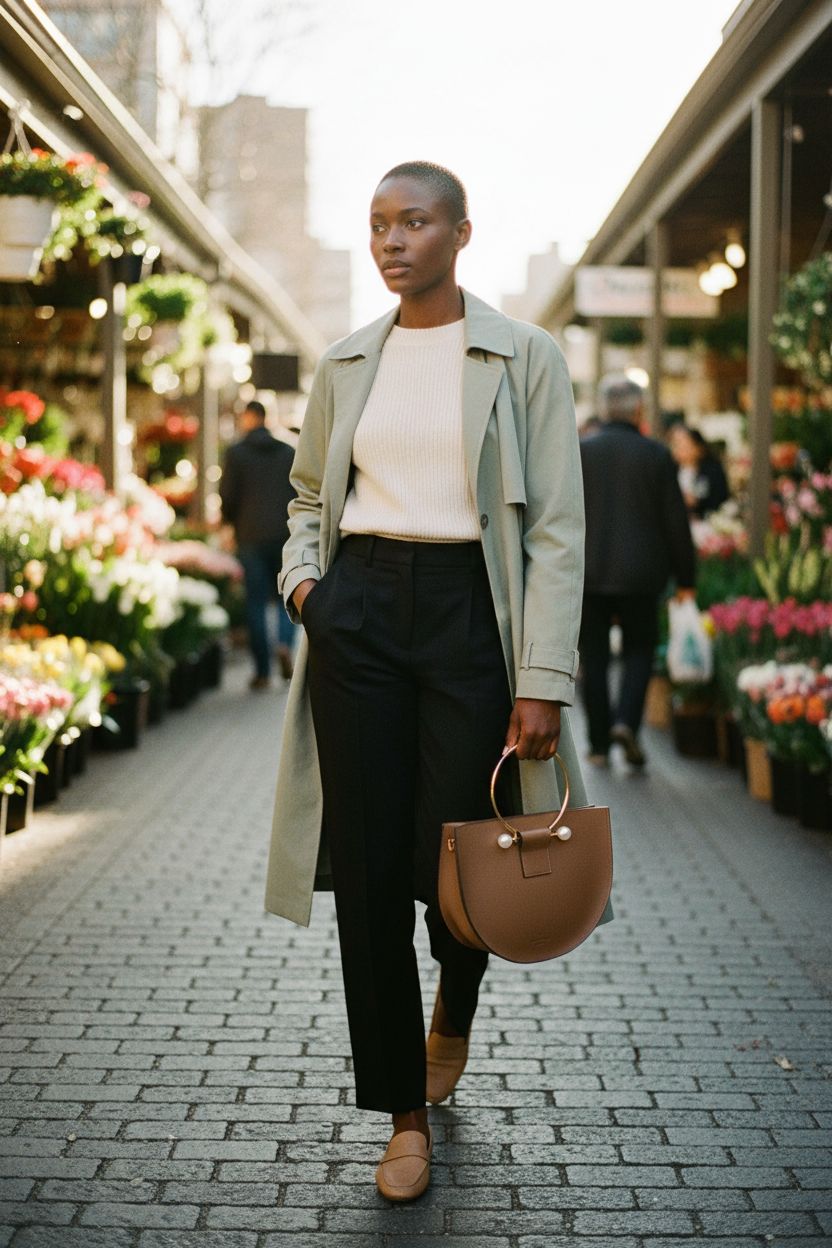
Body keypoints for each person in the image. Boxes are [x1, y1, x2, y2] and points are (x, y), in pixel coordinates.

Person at [264, 160, 609, 1203]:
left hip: (473, 617)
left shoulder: (522, 356)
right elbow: (306, 496)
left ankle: (453, 1005)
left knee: (460, 866)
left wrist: (540, 676)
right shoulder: (344, 361)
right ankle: (401, 1113)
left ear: (461, 233)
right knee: (368, 871)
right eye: (377, 225)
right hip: (359, 610)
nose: (392, 241)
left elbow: (555, 526)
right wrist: (306, 590)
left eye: (413, 221)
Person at [579, 374, 696, 767]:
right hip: (641, 575)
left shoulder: (581, 451)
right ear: (639, 410)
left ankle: (597, 744)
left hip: (589, 574)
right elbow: (675, 522)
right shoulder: (656, 455)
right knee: (639, 650)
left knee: (592, 656)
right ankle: (627, 722)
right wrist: (687, 578)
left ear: (602, 408)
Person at [219, 399, 296, 689]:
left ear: (249, 418)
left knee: (255, 602)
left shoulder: (237, 453)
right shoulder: (288, 451)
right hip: (283, 535)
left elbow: (227, 497)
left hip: (250, 536)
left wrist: (230, 522)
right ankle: (286, 645)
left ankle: (263, 671)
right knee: (285, 597)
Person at [669, 422, 730, 519]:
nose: (679, 449)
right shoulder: (670, 469)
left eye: (684, 445)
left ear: (698, 447)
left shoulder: (712, 470)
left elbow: (721, 499)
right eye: (676, 444)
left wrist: (697, 501)